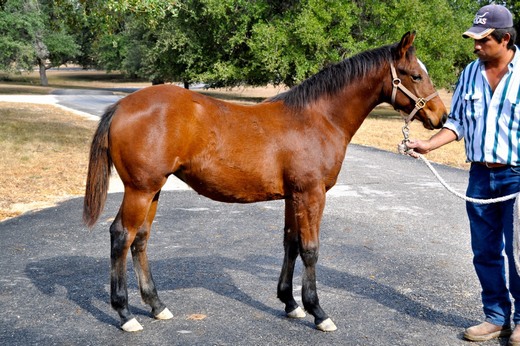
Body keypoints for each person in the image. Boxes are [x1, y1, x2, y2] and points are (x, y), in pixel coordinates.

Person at [406, 4, 520, 345]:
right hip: (480, 177)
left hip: (516, 175)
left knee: (519, 252)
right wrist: (429, 144)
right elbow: (458, 122)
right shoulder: (470, 73)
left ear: (505, 39)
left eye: (483, 41)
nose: (475, 47)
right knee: (484, 250)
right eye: (474, 40)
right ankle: (497, 317)